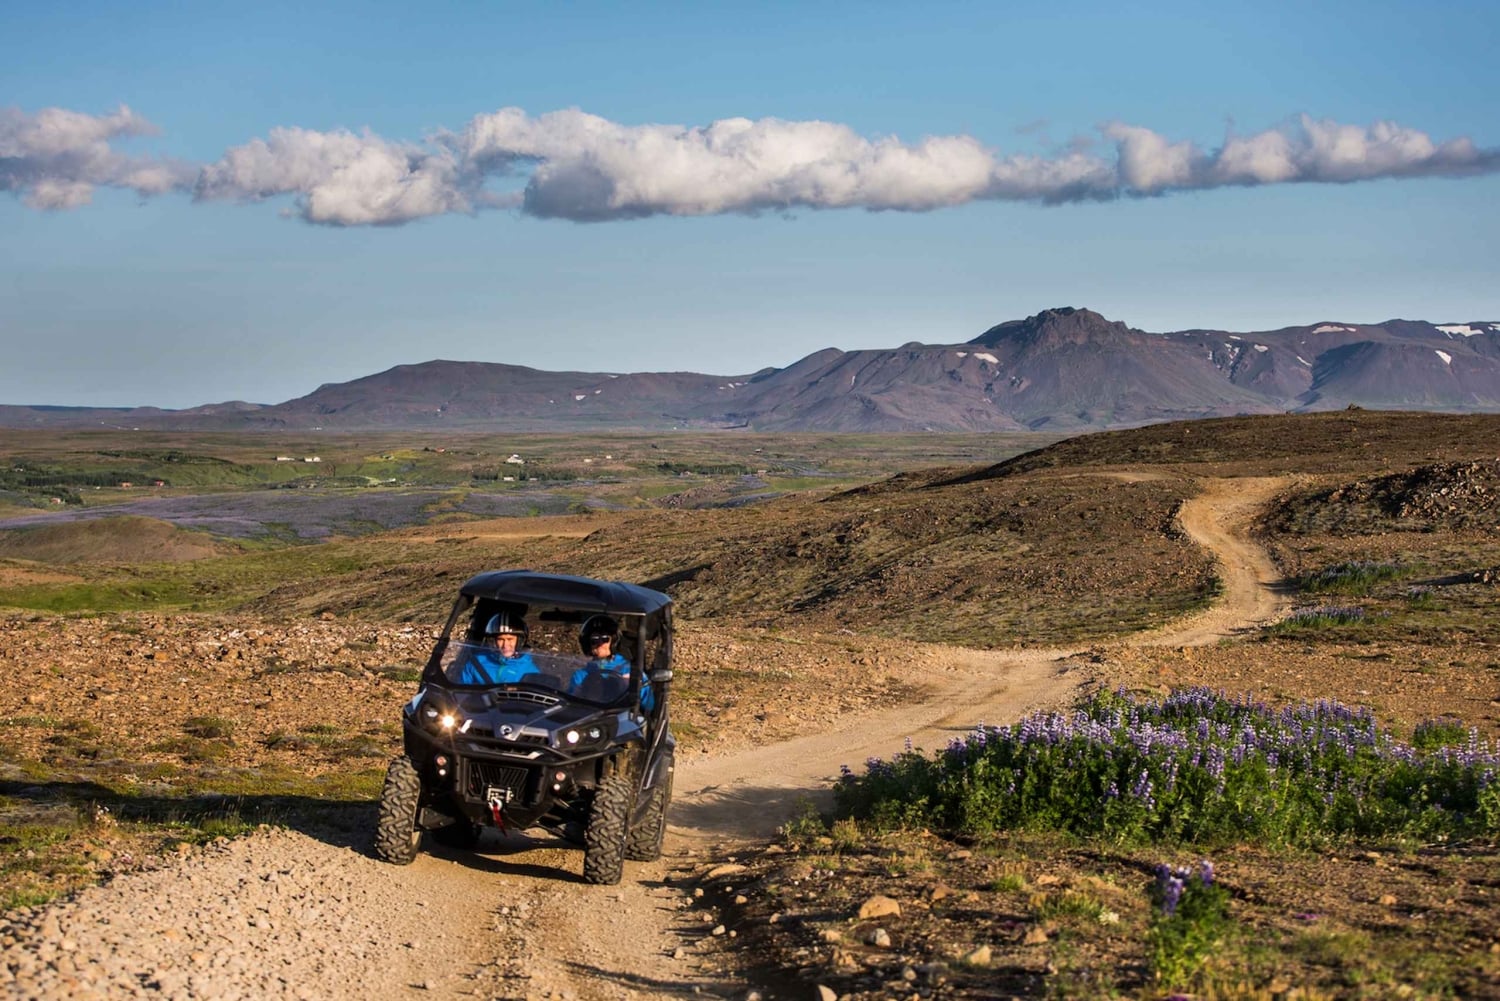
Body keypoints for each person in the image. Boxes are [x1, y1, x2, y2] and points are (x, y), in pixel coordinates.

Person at [568, 614, 653, 710]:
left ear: (613, 642)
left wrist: (632, 686)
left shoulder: (630, 671)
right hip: (591, 715)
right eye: (594, 640)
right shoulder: (581, 675)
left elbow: (649, 705)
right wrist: (577, 693)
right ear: (588, 644)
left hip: (622, 714)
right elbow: (571, 706)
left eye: (605, 639)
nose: (600, 644)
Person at [456, 610, 539, 685]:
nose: (505, 645)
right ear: (493, 641)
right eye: (500, 639)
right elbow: (461, 690)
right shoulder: (476, 662)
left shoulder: (530, 671)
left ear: (519, 641)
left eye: (510, 639)